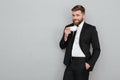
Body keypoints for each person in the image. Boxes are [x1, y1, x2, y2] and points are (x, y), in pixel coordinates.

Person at [59, 5, 101, 80]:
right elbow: (62, 46)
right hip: (70, 63)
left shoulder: (91, 29)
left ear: (83, 15)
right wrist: (65, 35)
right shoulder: (68, 27)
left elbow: (97, 49)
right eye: (73, 15)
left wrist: (89, 64)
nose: (75, 17)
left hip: (83, 63)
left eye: (78, 15)